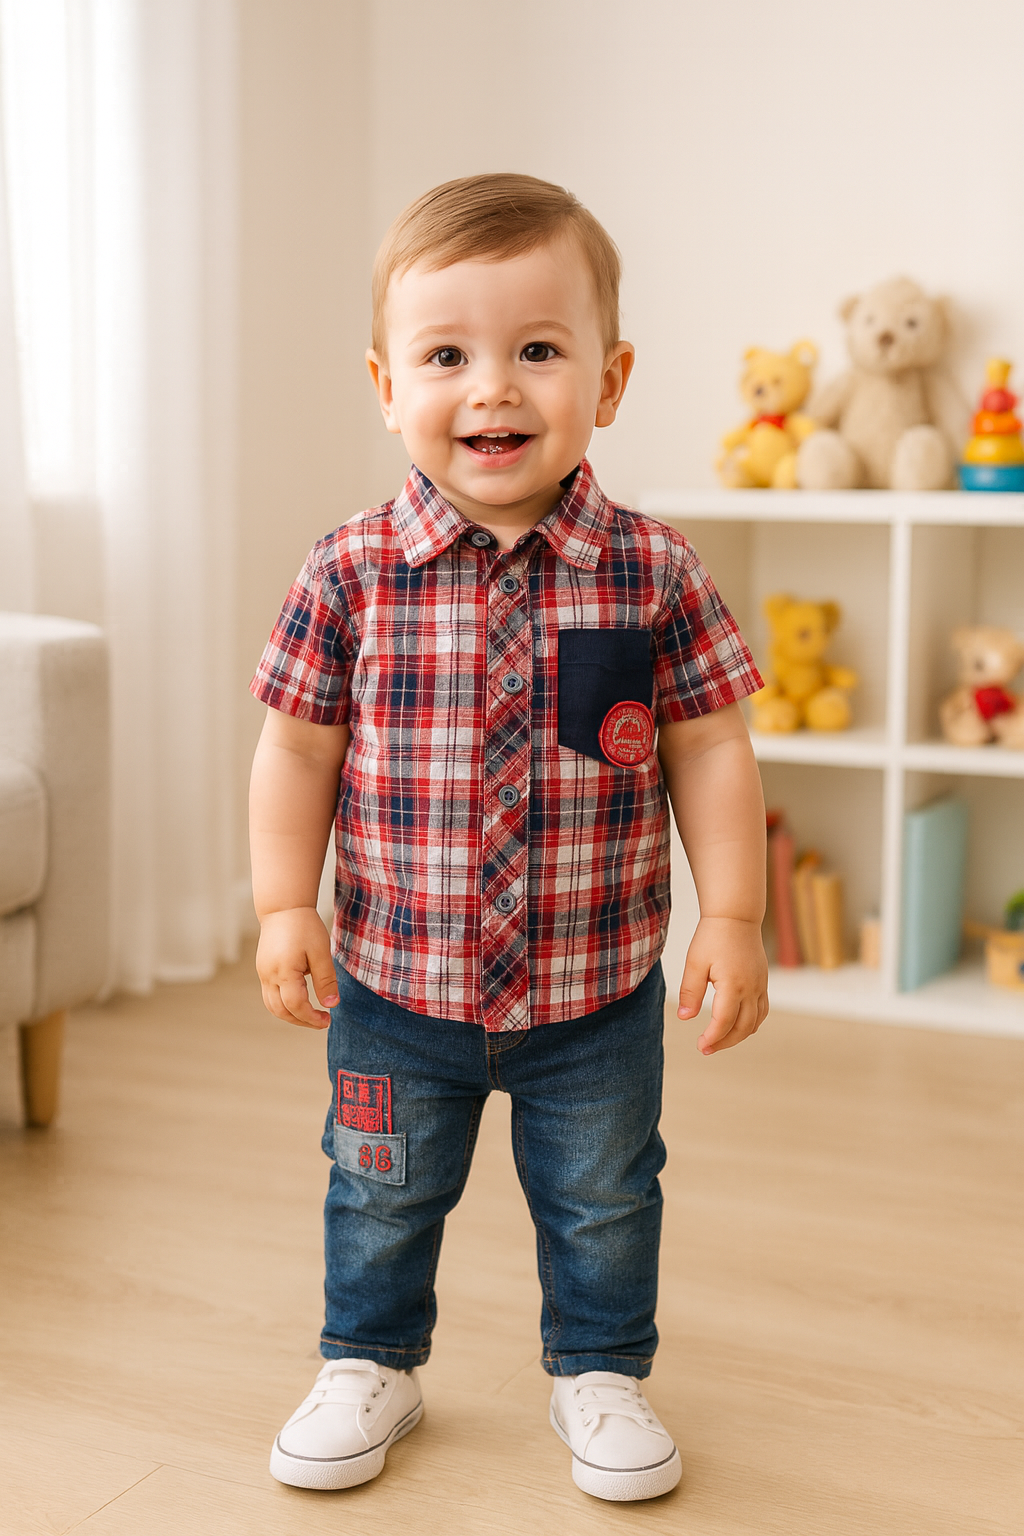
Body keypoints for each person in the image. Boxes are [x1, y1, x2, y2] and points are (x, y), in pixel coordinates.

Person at [249, 172, 769, 1504]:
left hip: (593, 995)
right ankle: (369, 1360)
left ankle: (600, 1371)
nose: (492, 388)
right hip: (394, 988)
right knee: (376, 1188)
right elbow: (298, 749)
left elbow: (711, 746)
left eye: (538, 349)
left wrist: (734, 916)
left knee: (606, 1196)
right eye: (447, 357)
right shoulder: (348, 571)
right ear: (387, 386)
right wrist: (284, 905)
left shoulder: (653, 570)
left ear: (610, 380)